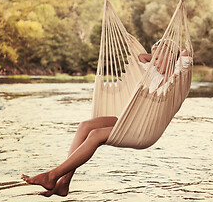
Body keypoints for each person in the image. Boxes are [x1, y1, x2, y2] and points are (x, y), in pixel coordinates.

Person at [21, 40, 191, 197]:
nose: (153, 62)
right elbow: (141, 57)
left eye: (158, 58)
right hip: (130, 120)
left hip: (145, 129)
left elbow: (185, 54)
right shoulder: (154, 73)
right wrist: (157, 54)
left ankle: (52, 175)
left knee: (96, 135)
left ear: (170, 57)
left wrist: (170, 49)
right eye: (153, 59)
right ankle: (64, 183)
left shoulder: (178, 76)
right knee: (85, 126)